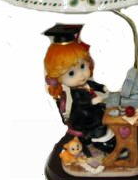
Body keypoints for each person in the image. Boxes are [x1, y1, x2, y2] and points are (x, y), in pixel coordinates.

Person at [43, 24, 116, 156]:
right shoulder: (75, 92)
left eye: (83, 66)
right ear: (59, 78)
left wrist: (102, 87)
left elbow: (94, 84)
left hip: (93, 111)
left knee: (107, 114)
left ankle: (106, 137)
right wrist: (94, 101)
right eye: (71, 73)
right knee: (98, 124)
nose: (81, 75)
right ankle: (102, 142)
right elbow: (82, 101)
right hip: (84, 116)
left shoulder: (86, 83)